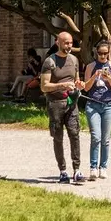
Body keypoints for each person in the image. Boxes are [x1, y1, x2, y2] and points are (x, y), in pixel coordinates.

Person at [37, 31, 86, 183]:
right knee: (58, 137)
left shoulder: (74, 60)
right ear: (57, 42)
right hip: (55, 104)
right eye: (66, 43)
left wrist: (79, 84)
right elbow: (44, 87)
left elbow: (76, 80)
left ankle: (77, 170)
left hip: (71, 103)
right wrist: (62, 85)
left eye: (71, 43)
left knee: (74, 135)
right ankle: (63, 171)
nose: (69, 46)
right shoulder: (50, 62)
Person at [79, 37, 111, 184]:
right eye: (100, 53)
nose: (103, 56)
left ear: (108, 53)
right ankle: (93, 167)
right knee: (96, 137)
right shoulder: (90, 66)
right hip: (93, 105)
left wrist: (108, 78)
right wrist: (94, 76)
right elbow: (86, 88)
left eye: (105, 53)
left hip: (108, 105)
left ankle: (103, 167)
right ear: (96, 53)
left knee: (105, 139)